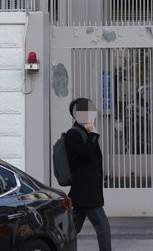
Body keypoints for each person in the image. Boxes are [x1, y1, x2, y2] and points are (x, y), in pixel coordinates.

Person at [65, 97, 112, 251]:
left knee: (70, 230)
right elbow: (86, 155)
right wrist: (93, 134)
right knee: (103, 227)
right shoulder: (73, 134)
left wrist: (92, 134)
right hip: (86, 191)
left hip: (85, 191)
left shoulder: (84, 131)